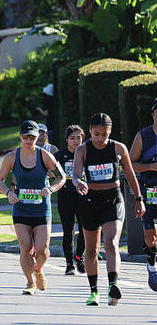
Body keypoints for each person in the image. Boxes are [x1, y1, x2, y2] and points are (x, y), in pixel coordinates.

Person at [73, 113, 144, 306]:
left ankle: (113, 285)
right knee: (91, 250)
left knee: (112, 243)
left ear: (110, 131)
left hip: (113, 199)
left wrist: (139, 199)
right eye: (96, 134)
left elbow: (130, 175)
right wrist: (79, 182)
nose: (100, 138)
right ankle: (94, 291)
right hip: (90, 201)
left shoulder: (119, 148)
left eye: (104, 134)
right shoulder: (82, 150)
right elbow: (76, 173)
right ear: (90, 131)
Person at [0, 120, 66, 296]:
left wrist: (50, 189)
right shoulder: (12, 157)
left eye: (32, 137)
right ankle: (29, 282)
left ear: (38, 137)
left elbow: (62, 177)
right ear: (20, 136)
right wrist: (7, 193)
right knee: (25, 246)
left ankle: (38, 268)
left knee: (42, 250)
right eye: (25, 136)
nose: (28, 140)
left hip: (41, 208)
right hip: (21, 209)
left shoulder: (45, 156)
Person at [129, 101, 157, 291]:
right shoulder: (143, 136)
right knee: (150, 237)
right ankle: (152, 265)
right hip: (149, 190)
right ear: (153, 114)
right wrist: (151, 167)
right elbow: (130, 164)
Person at [54, 125, 86, 275]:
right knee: (68, 231)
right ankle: (69, 264)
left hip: (83, 196)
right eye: (72, 138)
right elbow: (52, 172)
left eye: (78, 137)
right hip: (66, 196)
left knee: (85, 230)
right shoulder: (60, 155)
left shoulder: (87, 153)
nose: (76, 141)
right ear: (66, 139)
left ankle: (79, 257)